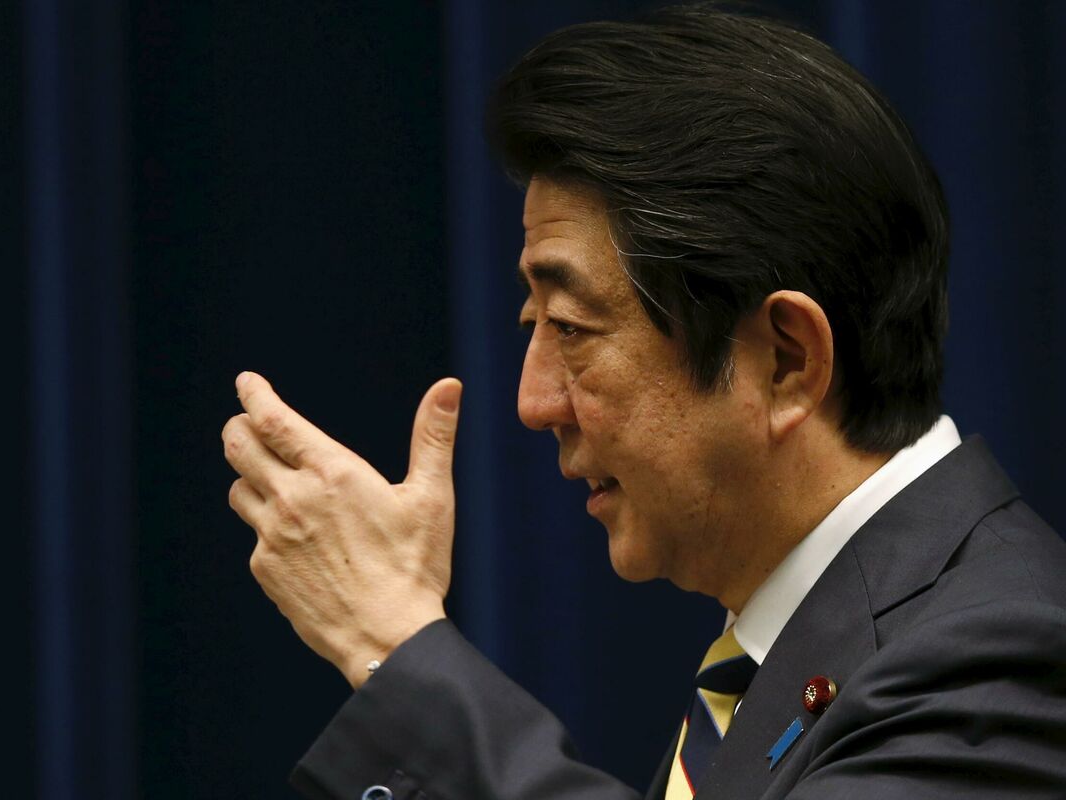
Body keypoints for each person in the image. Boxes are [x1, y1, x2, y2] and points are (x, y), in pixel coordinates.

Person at [221, 6, 1066, 799]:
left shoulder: (1003, 659)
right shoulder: (780, 656)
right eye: (531, 325)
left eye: (571, 328)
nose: (533, 403)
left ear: (786, 360)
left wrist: (393, 643)